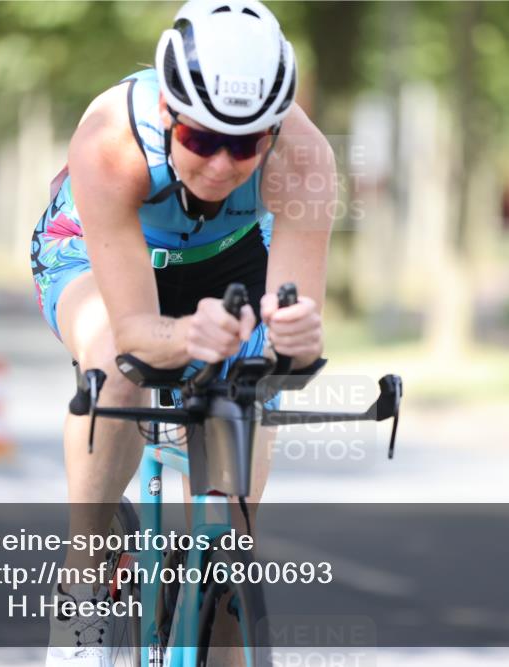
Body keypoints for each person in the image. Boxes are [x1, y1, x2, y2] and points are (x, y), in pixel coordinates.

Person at [29, 1, 335, 664]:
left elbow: (293, 347)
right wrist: (178, 335)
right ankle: (81, 585)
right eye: (201, 139)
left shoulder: (305, 159)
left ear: (274, 131)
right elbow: (139, 332)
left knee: (231, 551)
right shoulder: (111, 139)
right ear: (169, 112)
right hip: (98, 252)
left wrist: (297, 336)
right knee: (115, 356)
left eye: (246, 144)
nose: (223, 165)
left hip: (228, 256)